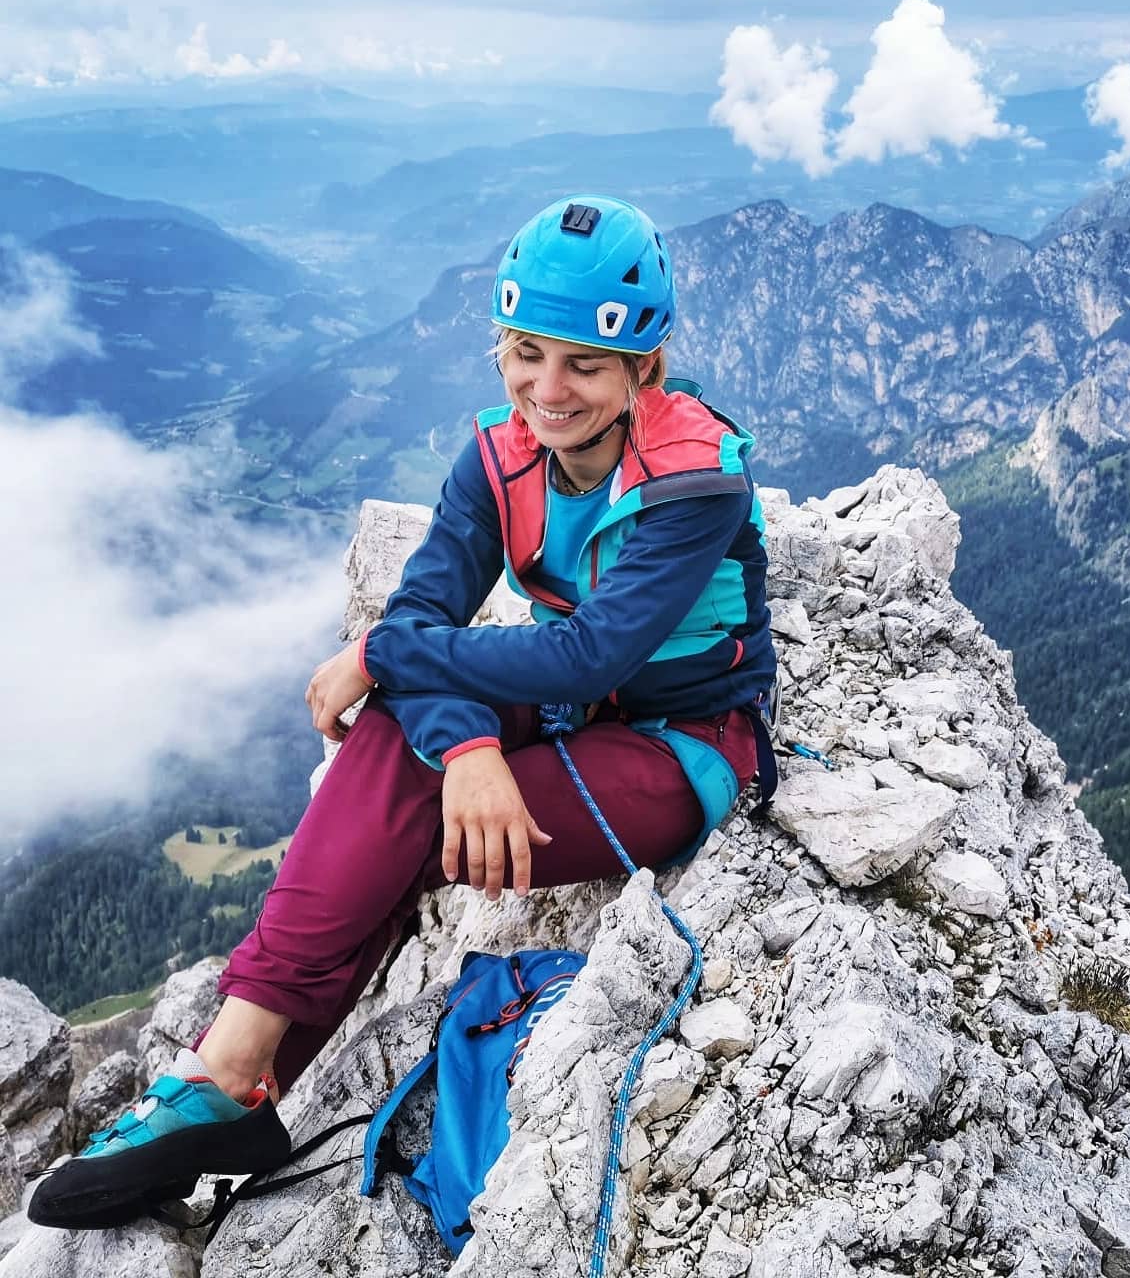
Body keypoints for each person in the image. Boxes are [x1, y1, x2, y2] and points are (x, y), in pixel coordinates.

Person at [30, 194, 776, 1230]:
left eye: (583, 366)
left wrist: (378, 649)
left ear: (643, 369)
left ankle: (228, 1092)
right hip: (559, 708)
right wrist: (466, 744)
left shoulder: (695, 484)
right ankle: (228, 1079)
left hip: (677, 745)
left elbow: (587, 647)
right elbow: (433, 606)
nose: (545, 389)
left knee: (400, 788)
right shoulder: (496, 453)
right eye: (524, 352)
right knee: (401, 742)